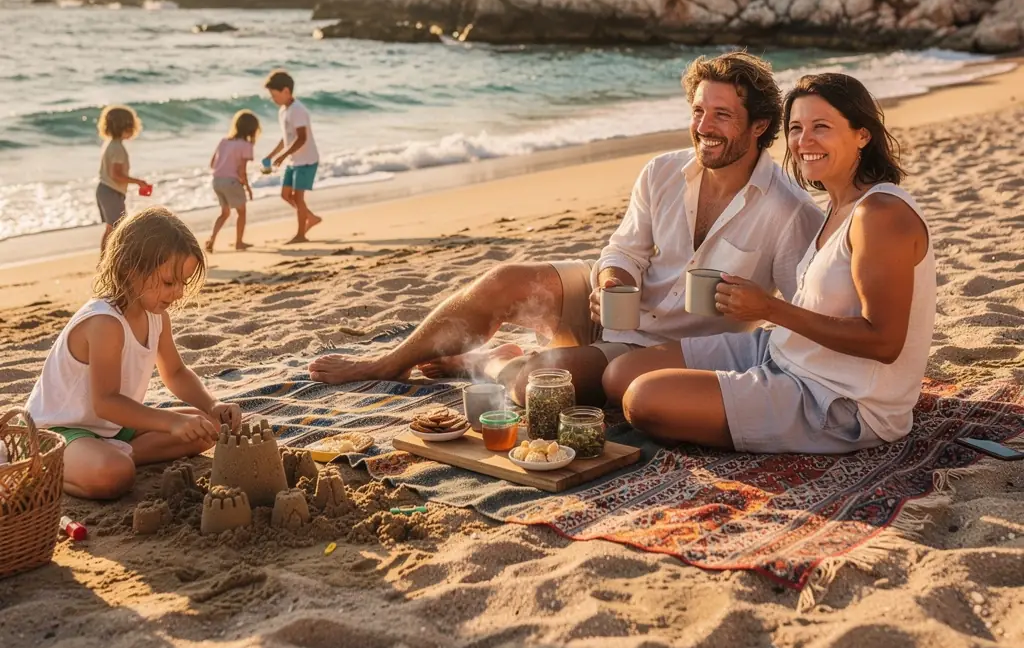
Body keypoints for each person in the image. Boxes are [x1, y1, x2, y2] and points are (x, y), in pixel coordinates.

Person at [308, 51, 823, 402]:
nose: (703, 127)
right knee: (505, 281)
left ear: (760, 126)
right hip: (615, 310)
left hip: (658, 349)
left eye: (721, 116)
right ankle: (388, 361)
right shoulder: (663, 171)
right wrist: (609, 280)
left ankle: (488, 361)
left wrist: (757, 307)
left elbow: (805, 313)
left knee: (531, 386)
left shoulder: (789, 211)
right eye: (697, 111)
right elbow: (624, 248)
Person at [606, 72, 935, 454]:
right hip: (783, 351)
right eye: (796, 128)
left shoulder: (880, 214)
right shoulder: (839, 206)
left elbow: (884, 342)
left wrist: (768, 308)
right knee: (619, 374)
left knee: (644, 399)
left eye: (821, 127)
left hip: (838, 398)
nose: (804, 141)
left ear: (862, 134)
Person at [25, 207, 243, 499]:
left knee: (209, 427)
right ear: (131, 267)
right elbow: (106, 403)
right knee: (114, 475)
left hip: (112, 429)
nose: (178, 293)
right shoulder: (104, 322)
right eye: (169, 282)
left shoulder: (155, 314)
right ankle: (46, 466)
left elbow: (175, 373)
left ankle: (117, 453)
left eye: (184, 282)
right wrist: (172, 422)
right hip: (60, 430)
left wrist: (212, 403)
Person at [263, 69, 321, 244]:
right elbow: (286, 136)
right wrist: (273, 154)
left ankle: (301, 234)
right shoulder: (283, 110)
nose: (273, 100)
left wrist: (282, 156)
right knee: (285, 194)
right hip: (293, 159)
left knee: (298, 197)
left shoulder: (297, 110)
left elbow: (302, 138)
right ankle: (310, 218)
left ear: (286, 91)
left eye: (274, 95)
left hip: (306, 160)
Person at [96, 104, 150, 254]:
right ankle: (110, 259)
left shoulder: (110, 144)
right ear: (126, 127)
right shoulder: (117, 148)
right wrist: (139, 182)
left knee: (111, 227)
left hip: (105, 190)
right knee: (118, 228)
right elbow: (116, 175)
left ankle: (105, 259)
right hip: (111, 191)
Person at [205, 109, 259, 253]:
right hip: (231, 181)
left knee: (224, 213)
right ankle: (239, 242)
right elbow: (242, 170)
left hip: (217, 180)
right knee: (242, 211)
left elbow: (212, 164)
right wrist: (248, 188)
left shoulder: (224, 141)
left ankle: (212, 240)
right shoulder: (246, 145)